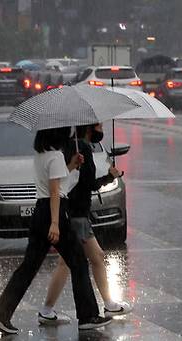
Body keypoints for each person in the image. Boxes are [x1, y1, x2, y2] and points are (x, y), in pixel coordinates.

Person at [0, 126, 112, 334]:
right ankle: (87, 315)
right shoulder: (55, 156)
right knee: (79, 262)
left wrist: (72, 166)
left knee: (28, 268)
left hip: (40, 213)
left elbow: (57, 183)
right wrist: (55, 224)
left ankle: (1, 314)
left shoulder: (41, 156)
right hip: (54, 213)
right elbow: (55, 191)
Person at [38, 123, 132, 325]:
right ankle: (105, 305)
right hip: (77, 213)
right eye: (99, 125)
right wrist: (110, 176)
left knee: (74, 261)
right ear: (90, 128)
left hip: (71, 211)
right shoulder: (83, 148)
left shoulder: (70, 147)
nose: (101, 129)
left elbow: (72, 179)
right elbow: (87, 184)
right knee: (87, 259)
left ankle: (48, 309)